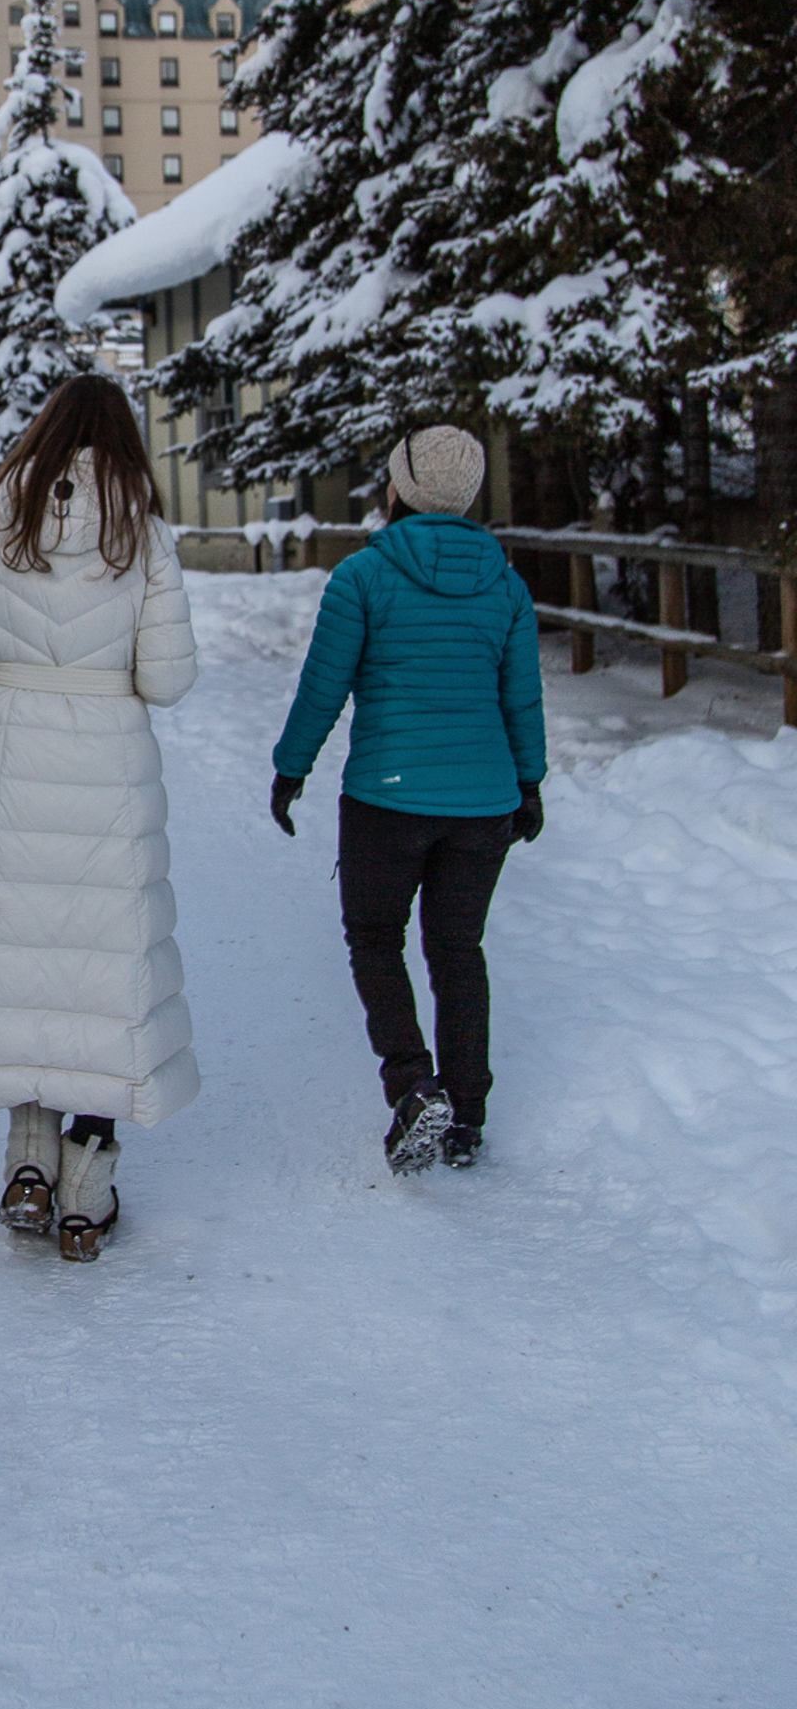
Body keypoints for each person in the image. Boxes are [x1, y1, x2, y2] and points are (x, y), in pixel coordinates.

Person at [0, 375, 200, 1262]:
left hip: (13, 758)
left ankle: (27, 1163)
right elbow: (167, 679)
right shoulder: (142, 535)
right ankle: (87, 1183)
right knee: (96, 973)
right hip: (107, 765)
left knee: (21, 963)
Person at [270, 424, 547, 1174]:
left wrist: (290, 768)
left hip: (385, 801)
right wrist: (530, 781)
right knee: (458, 949)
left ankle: (413, 1086)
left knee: (375, 938)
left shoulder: (364, 578)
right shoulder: (505, 583)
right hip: (483, 802)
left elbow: (323, 687)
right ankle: (466, 1115)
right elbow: (521, 695)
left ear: (399, 488)